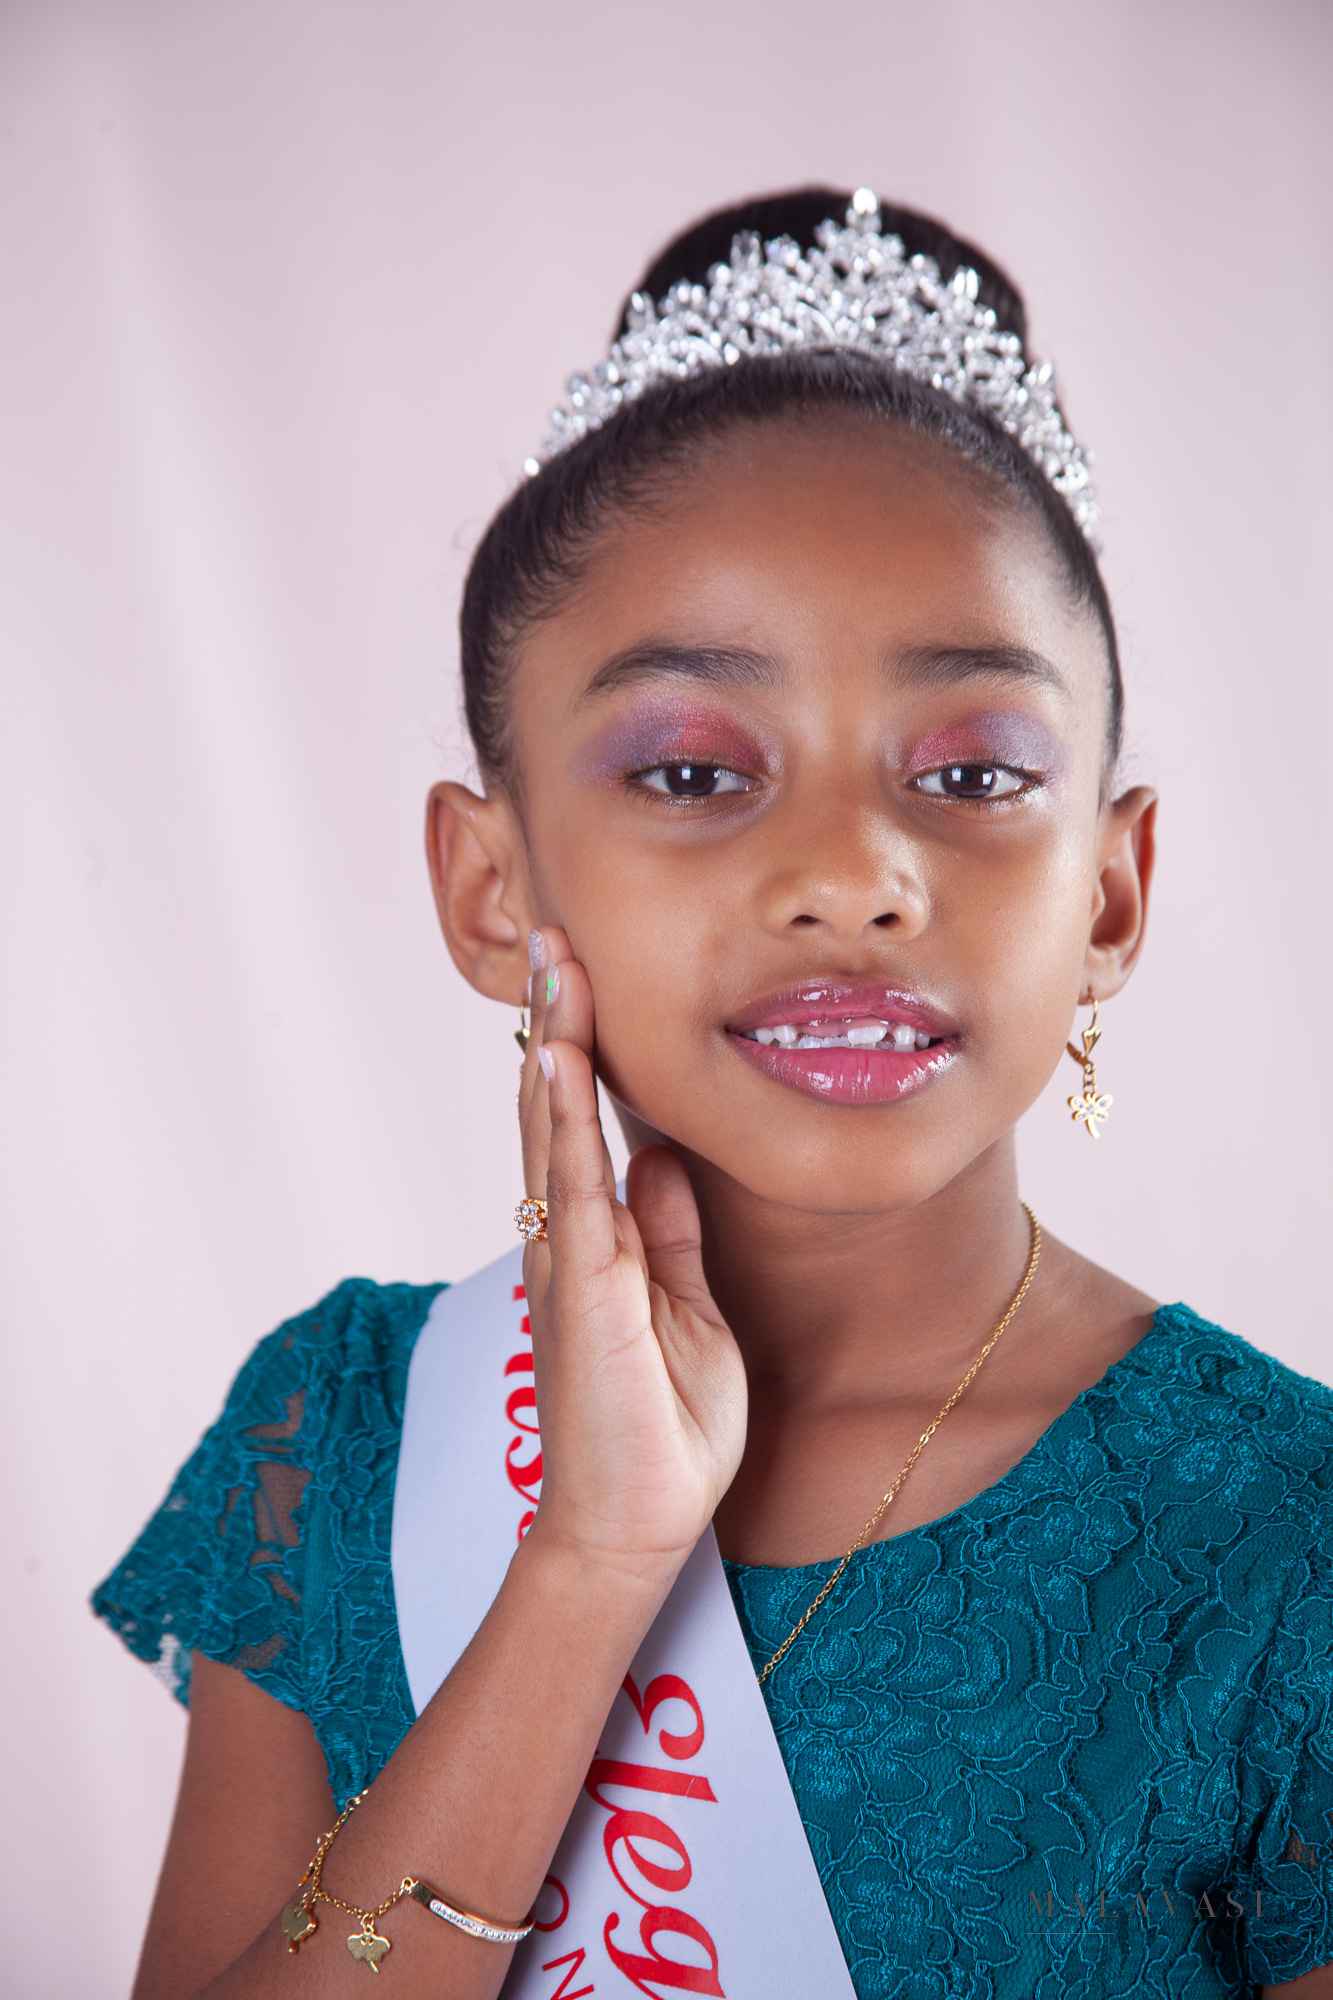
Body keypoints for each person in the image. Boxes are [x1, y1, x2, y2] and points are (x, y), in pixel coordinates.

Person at [95, 187, 1333, 2000]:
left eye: (971, 776)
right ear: (490, 887)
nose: (849, 876)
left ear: (1110, 896)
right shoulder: (344, 1434)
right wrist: (585, 1561)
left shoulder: (1283, 1535)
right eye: (690, 771)